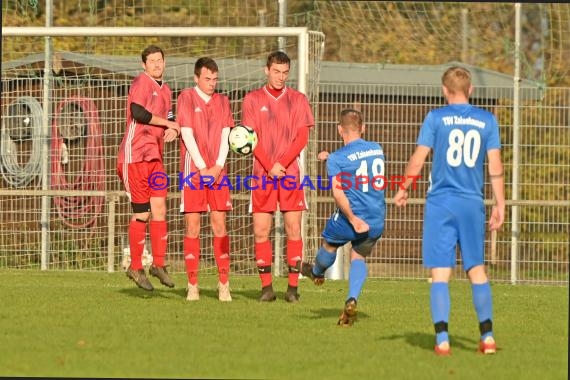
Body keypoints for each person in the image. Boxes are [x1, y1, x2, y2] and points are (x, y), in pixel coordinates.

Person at [393, 66, 505, 355]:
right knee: (476, 270)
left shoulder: (436, 118)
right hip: (471, 203)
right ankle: (488, 337)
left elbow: (418, 159)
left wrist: (404, 187)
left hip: (441, 203)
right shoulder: (487, 120)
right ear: (471, 90)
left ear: (444, 90)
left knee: (440, 273)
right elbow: (495, 167)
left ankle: (442, 340)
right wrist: (500, 204)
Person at [298, 109, 386, 326]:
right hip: (376, 219)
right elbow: (357, 163)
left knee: (329, 245)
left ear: (339, 130)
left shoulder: (337, 159)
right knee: (358, 257)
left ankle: (316, 272)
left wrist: (353, 218)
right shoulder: (377, 149)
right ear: (363, 128)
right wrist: (332, 158)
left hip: (351, 217)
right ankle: (352, 299)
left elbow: (338, 193)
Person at [240, 51, 315, 302]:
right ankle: (266, 289)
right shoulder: (251, 100)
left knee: (294, 229)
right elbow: (249, 139)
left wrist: (281, 164)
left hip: (290, 174)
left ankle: (293, 289)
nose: (281, 77)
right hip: (262, 174)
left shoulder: (298, 99)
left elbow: (302, 138)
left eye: (285, 73)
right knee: (261, 231)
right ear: (266, 70)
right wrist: (269, 165)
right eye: (276, 71)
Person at [117, 45, 180, 291]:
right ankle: (135, 266)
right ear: (144, 65)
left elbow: (171, 117)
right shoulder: (141, 82)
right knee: (142, 214)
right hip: (135, 157)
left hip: (155, 158)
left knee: (161, 208)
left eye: (159, 60)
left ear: (164, 62)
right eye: (151, 61)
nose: (156, 64)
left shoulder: (167, 90)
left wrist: (172, 128)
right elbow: (138, 112)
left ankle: (159, 264)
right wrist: (167, 123)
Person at [176, 57, 235, 302]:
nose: (212, 83)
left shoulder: (223, 101)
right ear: (196, 78)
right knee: (193, 227)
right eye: (207, 79)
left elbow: (227, 134)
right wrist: (202, 168)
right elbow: (187, 134)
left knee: (219, 226)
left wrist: (218, 165)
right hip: (193, 172)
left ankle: (224, 284)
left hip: (218, 172)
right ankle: (193, 285)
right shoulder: (186, 97)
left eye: (215, 79)